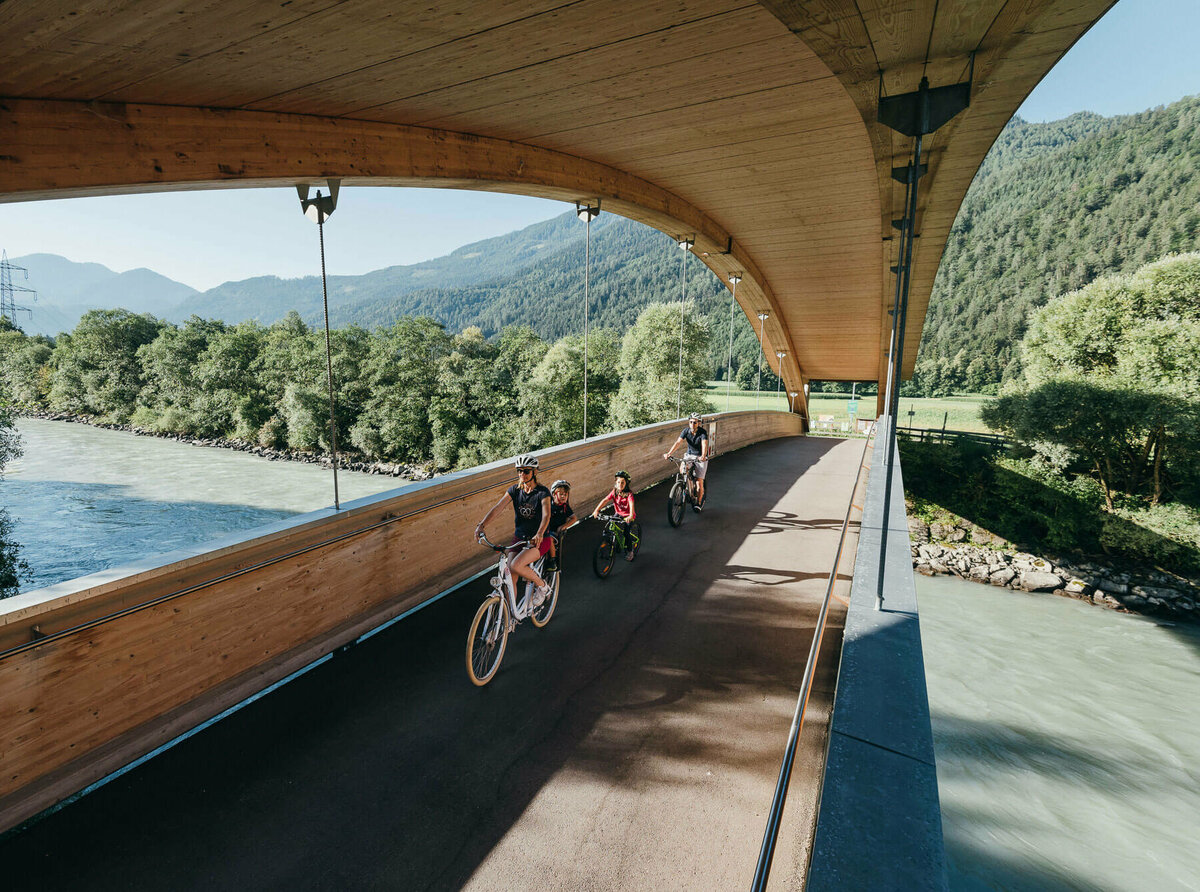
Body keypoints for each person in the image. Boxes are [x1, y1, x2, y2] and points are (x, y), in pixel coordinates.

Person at [475, 454, 553, 606]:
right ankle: (510, 618)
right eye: (519, 471)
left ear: (535, 472)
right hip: (519, 537)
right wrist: (482, 525)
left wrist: (540, 533)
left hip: (539, 539)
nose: (522, 474)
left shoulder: (542, 493)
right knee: (509, 577)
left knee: (516, 565)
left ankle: (543, 587)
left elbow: (546, 515)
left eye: (526, 471)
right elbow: (498, 508)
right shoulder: (515, 490)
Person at [664, 412, 710, 509]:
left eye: (695, 423)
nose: (692, 424)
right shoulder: (685, 431)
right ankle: (687, 484)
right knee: (683, 470)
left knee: (699, 482)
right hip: (689, 455)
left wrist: (703, 456)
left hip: (700, 457)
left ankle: (698, 502)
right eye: (691, 422)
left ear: (699, 423)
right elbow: (678, 442)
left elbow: (704, 445)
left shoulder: (702, 433)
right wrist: (669, 453)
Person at [591, 470, 640, 561]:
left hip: (628, 515)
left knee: (626, 532)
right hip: (619, 513)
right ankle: (610, 543)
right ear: (615, 483)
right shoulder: (614, 492)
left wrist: (630, 516)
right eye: (618, 482)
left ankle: (630, 551)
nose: (620, 484)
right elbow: (605, 500)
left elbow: (631, 504)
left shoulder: (629, 494)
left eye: (622, 483)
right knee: (610, 527)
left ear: (626, 484)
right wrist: (596, 510)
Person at [543, 479, 578, 572]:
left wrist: (563, 526)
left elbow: (574, 518)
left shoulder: (565, 507)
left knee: (549, 538)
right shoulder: (549, 505)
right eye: (561, 494)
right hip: (545, 529)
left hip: (555, 532)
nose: (563, 496)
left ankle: (553, 560)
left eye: (565, 494)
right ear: (554, 494)